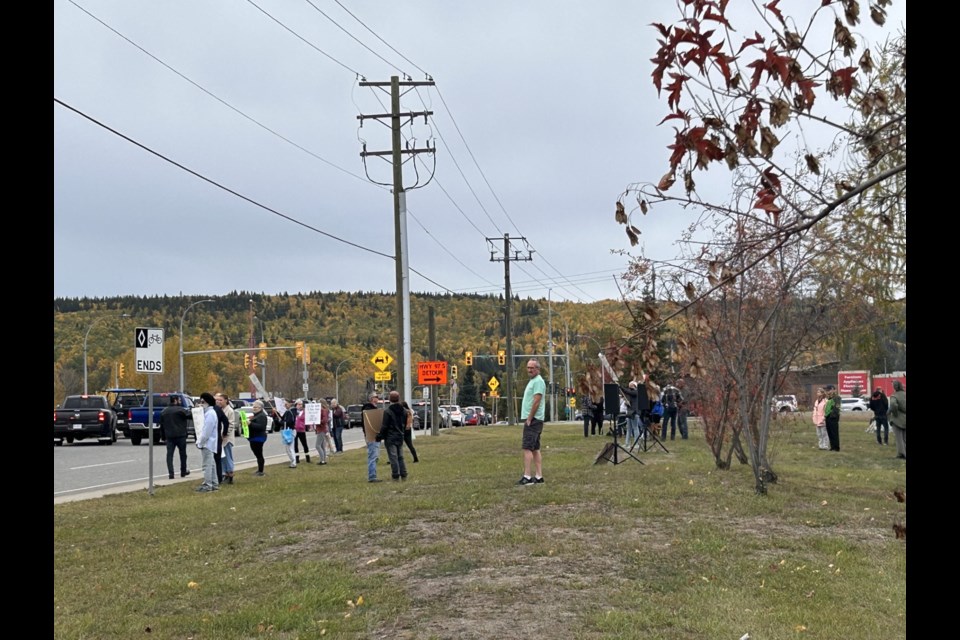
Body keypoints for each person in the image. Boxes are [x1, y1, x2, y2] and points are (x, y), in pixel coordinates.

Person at [517, 359, 546, 485]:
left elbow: (536, 401)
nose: (529, 370)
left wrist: (529, 418)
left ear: (538, 369)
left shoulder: (538, 381)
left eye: (532, 368)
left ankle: (527, 476)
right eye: (528, 367)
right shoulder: (533, 381)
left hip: (534, 419)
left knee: (527, 447)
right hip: (534, 419)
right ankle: (539, 476)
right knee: (535, 448)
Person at [377, 391, 409, 481]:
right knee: (400, 456)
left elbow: (385, 425)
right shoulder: (404, 411)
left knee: (393, 457)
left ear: (389, 399)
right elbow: (404, 423)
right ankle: (404, 474)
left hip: (390, 437)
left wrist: (380, 436)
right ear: (398, 399)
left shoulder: (388, 411)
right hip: (400, 435)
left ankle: (395, 475)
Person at [159, 394, 191, 480]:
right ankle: (183, 471)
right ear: (176, 401)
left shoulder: (164, 412)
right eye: (179, 400)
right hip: (181, 435)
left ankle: (171, 473)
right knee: (183, 454)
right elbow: (190, 416)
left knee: (169, 455)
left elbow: (162, 425)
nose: (180, 402)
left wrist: (163, 436)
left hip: (169, 436)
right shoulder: (181, 410)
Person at [195, 392, 220, 492]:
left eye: (202, 402)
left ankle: (208, 485)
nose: (201, 404)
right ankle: (214, 484)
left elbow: (206, 431)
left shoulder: (210, 414)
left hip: (207, 444)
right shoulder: (208, 413)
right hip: (209, 443)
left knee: (207, 465)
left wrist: (200, 442)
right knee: (212, 464)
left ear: (207, 402)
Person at [215, 393, 238, 484]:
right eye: (217, 400)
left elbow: (231, 424)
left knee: (227, 456)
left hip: (226, 438)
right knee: (222, 457)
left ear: (226, 400)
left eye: (220, 400)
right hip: (220, 437)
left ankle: (230, 473)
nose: (218, 402)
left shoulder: (229, 411)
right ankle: (225, 473)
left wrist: (225, 434)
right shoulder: (219, 410)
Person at [362, 393, 383, 482]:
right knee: (372, 456)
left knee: (376, 455)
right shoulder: (368, 410)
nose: (377, 399)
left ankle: (373, 473)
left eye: (377, 398)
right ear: (371, 399)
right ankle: (372, 476)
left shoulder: (374, 409)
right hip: (371, 435)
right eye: (375, 397)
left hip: (376, 436)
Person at [247, 400, 269, 476]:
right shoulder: (256, 415)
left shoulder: (262, 416)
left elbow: (261, 427)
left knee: (259, 454)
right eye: (253, 407)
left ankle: (261, 471)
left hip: (258, 438)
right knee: (257, 455)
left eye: (256, 407)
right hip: (253, 437)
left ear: (261, 408)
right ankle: (259, 470)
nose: (254, 408)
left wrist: (250, 423)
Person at [619, 380, 642, 449]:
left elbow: (628, 392)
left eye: (631, 385)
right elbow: (629, 400)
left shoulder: (636, 392)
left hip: (634, 412)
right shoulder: (630, 394)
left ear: (634, 386)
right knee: (629, 429)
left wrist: (621, 387)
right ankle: (627, 443)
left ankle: (636, 444)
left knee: (635, 428)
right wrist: (627, 403)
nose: (629, 386)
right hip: (629, 412)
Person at [212, 395, 229, 484]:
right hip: (217, 436)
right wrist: (224, 433)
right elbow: (226, 422)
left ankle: (210, 478)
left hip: (209, 438)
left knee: (209, 460)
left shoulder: (207, 410)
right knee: (217, 459)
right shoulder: (218, 409)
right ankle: (218, 478)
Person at [887, 380, 906, 460]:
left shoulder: (894, 396)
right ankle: (900, 454)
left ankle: (902, 454)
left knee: (899, 439)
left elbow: (893, 405)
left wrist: (894, 413)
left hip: (898, 419)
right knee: (904, 438)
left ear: (894, 387)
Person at [293, 399, 311, 466]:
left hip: (301, 430)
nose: (300, 406)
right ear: (296, 405)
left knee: (304, 444)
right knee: (295, 444)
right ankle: (297, 458)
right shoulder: (294, 411)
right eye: (299, 404)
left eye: (301, 404)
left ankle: (307, 456)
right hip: (295, 430)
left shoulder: (304, 412)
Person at [823, 385, 841, 451]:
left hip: (833, 418)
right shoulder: (829, 398)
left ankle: (836, 447)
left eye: (829, 390)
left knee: (834, 433)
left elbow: (836, 408)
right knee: (829, 432)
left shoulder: (836, 397)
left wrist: (832, 416)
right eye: (827, 390)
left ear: (833, 389)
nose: (827, 392)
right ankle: (832, 446)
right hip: (828, 417)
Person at [314, 399, 330, 465]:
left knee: (317, 445)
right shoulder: (322, 410)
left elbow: (325, 420)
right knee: (322, 445)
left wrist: (318, 421)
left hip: (321, 429)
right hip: (321, 429)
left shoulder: (324, 411)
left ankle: (322, 460)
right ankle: (323, 460)